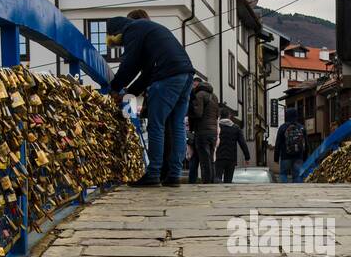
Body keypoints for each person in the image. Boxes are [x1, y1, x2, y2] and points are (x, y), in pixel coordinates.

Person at [106, 13, 194, 186]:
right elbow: (146, 72)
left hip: (167, 77)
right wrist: (129, 92)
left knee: (156, 124)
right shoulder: (149, 31)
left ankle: (153, 173)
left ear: (118, 32)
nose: (123, 46)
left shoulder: (132, 30)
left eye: (120, 43)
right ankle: (174, 175)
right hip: (186, 74)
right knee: (177, 125)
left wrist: (115, 88)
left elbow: (130, 64)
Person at [187, 76, 220, 184]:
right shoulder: (214, 96)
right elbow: (217, 115)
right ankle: (211, 181)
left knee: (204, 159)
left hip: (202, 131)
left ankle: (207, 182)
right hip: (213, 131)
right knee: (210, 158)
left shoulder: (199, 95)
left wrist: (190, 111)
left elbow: (198, 113)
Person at [215, 111, 251, 183]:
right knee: (228, 181)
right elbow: (242, 143)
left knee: (217, 178)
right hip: (231, 158)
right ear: (229, 116)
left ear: (220, 116)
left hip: (218, 158)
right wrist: (247, 157)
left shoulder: (216, 127)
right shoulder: (236, 127)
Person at [274, 111, 307, 183]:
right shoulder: (301, 127)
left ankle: (285, 192)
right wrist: (304, 157)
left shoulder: (282, 128)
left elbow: (278, 144)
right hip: (298, 157)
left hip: (285, 156)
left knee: (283, 174)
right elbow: (306, 144)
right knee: (297, 175)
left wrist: (276, 158)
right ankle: (298, 192)